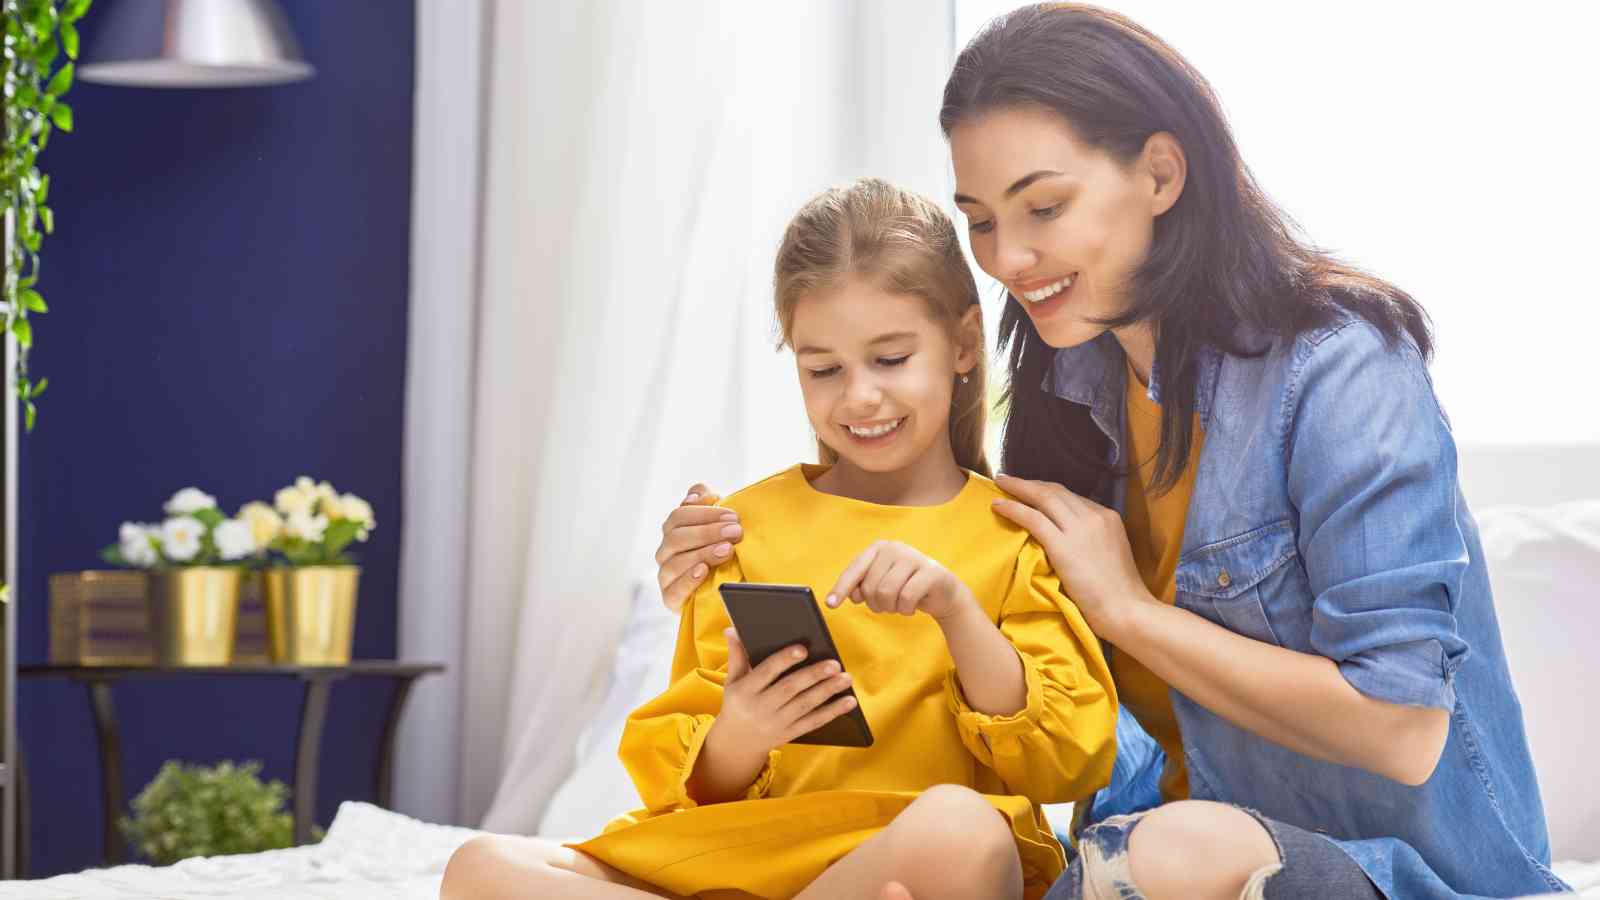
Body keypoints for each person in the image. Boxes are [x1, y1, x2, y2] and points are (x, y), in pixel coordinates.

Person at [654, 6, 1568, 900]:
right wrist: (733, 555)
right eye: (979, 219)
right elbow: (1033, 683)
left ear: (1161, 174)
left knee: (1165, 853)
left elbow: (1403, 729)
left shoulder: (1339, 368)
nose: (1008, 257)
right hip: (1123, 855)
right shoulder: (1066, 380)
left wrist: (1129, 611)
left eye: (1043, 206)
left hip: (1379, 871)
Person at [441, 177, 1119, 900]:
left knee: (965, 831)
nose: (858, 396)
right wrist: (743, 731)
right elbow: (692, 788)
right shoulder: (739, 529)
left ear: (961, 345)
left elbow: (1063, 766)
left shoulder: (1014, 535)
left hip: (905, 860)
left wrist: (956, 610)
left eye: (891, 359)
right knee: (482, 869)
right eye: (823, 369)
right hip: (745, 858)